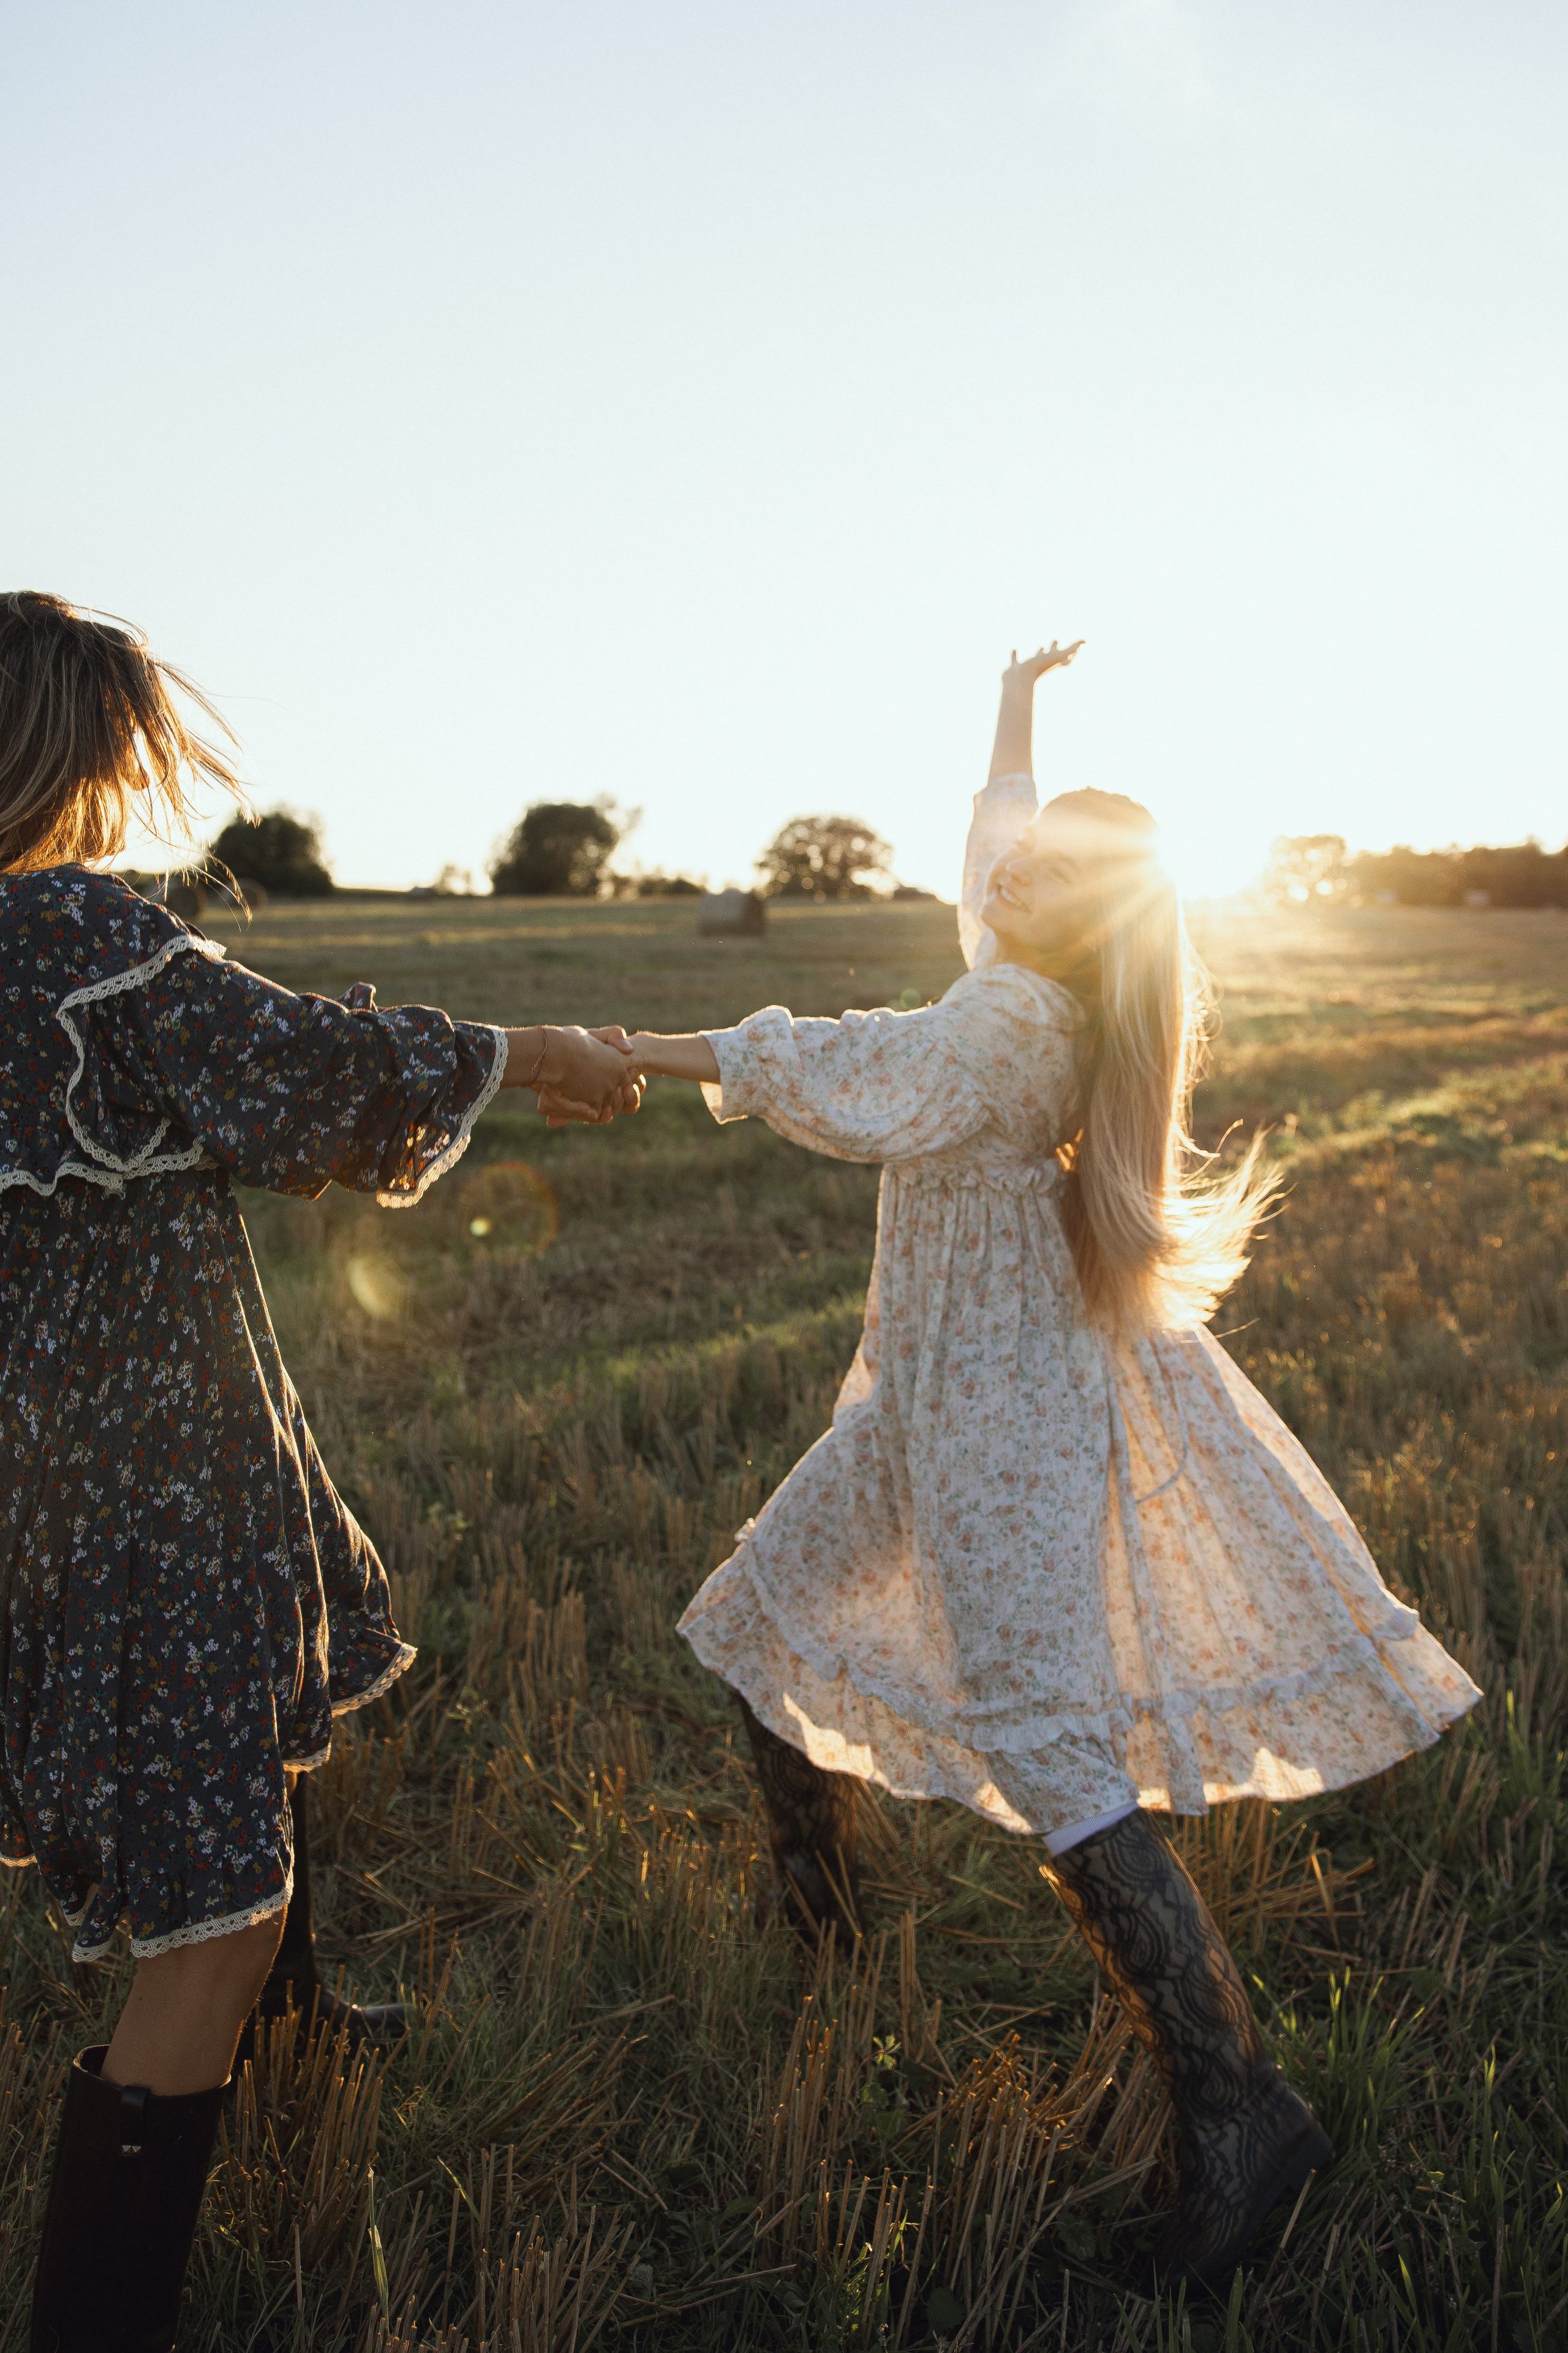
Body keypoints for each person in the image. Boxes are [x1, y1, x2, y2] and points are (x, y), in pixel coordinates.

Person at [619, 643, 1481, 2286]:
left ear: (1086, 921)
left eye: (1053, 870)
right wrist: (1019, 701)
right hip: (922, 1407)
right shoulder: (1018, 966)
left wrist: (638, 1048)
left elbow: (854, 1065)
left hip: (1000, 1425)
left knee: (1042, 1737)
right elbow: (993, 841)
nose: (1014, 867)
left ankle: (1243, 2108)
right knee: (767, 1610)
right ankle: (826, 1944)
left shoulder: (1013, 1021)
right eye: (1025, 853)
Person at [0, 592, 641, 2353]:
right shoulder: (74, 935)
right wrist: (532, 1054)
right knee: (217, 1899)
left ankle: (288, 2033)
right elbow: (312, 1078)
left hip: (36, 1472)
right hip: (141, 1479)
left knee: (235, 1748)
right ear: (67, 751)